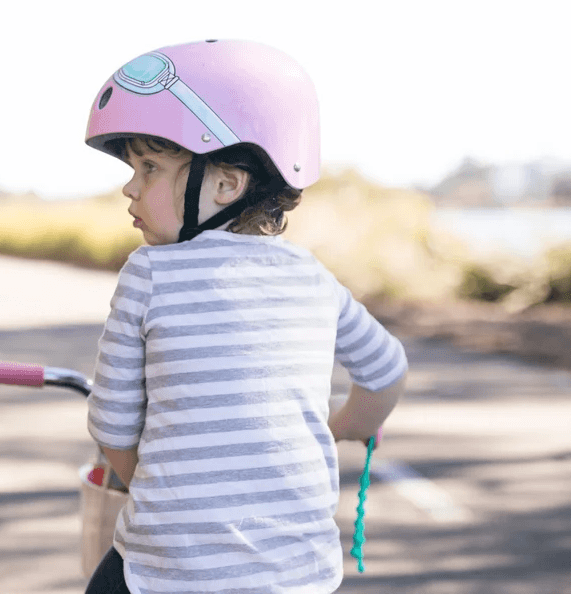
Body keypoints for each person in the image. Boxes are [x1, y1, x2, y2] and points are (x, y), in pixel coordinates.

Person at [83, 39, 408, 594]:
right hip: (301, 575)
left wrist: (158, 494)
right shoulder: (311, 275)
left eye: (151, 167)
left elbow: (111, 424)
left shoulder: (150, 273)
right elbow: (385, 370)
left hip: (171, 574)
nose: (129, 186)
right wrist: (347, 425)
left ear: (226, 184)